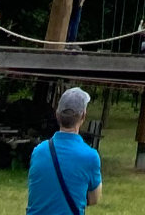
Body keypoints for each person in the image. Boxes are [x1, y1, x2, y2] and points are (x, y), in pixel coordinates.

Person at [25, 86, 103, 214]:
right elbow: (94, 199)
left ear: (57, 115)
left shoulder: (38, 151)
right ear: (83, 116)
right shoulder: (90, 156)